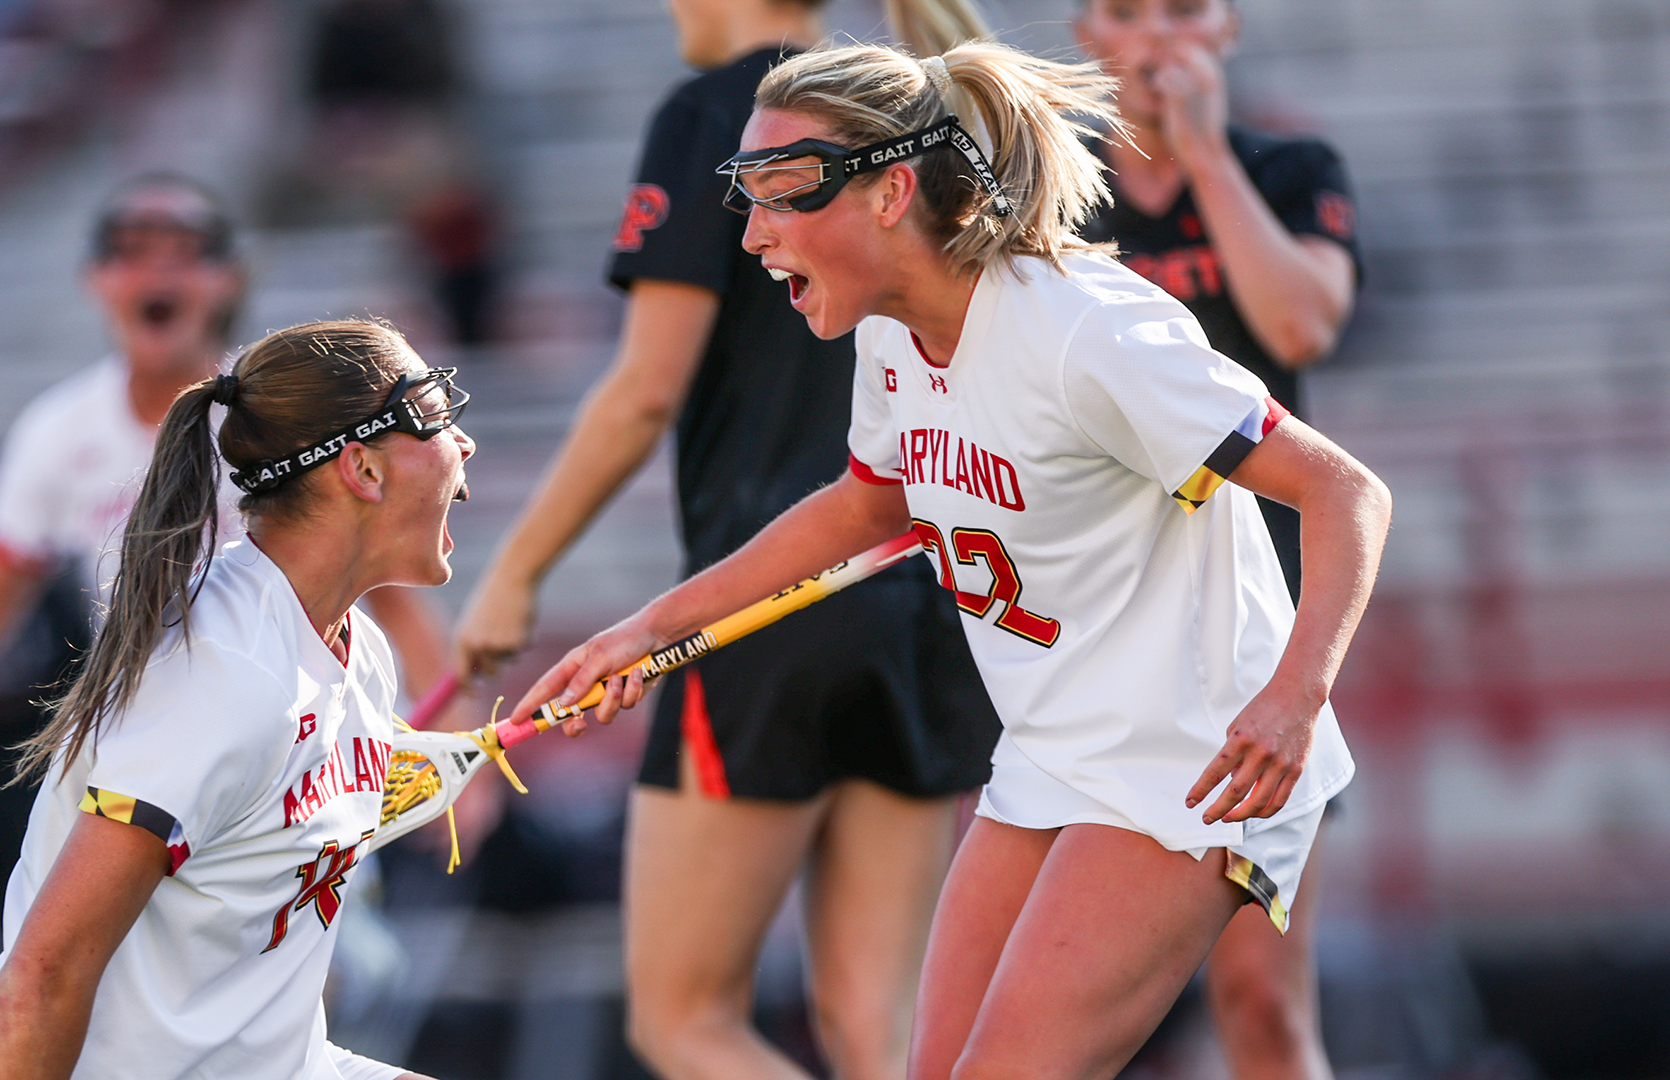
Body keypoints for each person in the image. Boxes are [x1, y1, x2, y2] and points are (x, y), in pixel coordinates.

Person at [510, 38, 1390, 1080]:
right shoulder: (891, 333)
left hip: (1185, 762)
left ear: (892, 193)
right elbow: (867, 503)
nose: (752, 237)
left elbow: (1347, 491)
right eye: (745, 196)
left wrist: (1294, 699)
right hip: (1048, 752)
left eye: (783, 194)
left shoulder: (1084, 334)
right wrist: (653, 630)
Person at [453, 2, 1001, 1078]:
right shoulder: (898, 105)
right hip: (922, 593)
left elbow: (643, 392)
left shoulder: (730, 116)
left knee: (683, 1020)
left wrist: (513, 574)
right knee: (877, 1030)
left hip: (766, 602)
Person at [0, 174, 459, 956]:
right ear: (95, 281)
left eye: (185, 252)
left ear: (227, 279)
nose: (158, 273)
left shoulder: (280, 417)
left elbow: (393, 592)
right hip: (159, 757)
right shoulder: (58, 435)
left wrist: (450, 746)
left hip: (305, 752)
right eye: (131, 251)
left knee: (307, 982)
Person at [0, 319, 467, 1080]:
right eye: (433, 416)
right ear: (362, 469)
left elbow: (263, 823)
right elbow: (36, 983)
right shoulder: (222, 676)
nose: (463, 446)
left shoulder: (360, 655)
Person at [1072, 3, 1360, 1076]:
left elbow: (1300, 324)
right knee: (1065, 1003)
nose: (1155, 39)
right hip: (1083, 617)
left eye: (1182, 9)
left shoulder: (1285, 167)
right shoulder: (1049, 185)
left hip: (1252, 618)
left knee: (1261, 999)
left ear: (1228, 26)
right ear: (1084, 30)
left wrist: (1201, 157)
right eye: (1126, 12)